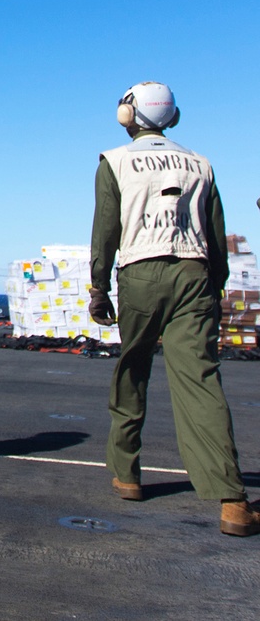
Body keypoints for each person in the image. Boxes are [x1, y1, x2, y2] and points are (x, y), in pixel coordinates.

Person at [90, 81, 260, 536]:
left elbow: (106, 229)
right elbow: (216, 232)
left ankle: (127, 474)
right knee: (201, 380)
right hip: (195, 275)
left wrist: (98, 288)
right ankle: (232, 502)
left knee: (133, 367)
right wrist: (216, 289)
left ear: (129, 115)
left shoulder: (115, 161)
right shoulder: (200, 163)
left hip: (141, 275)